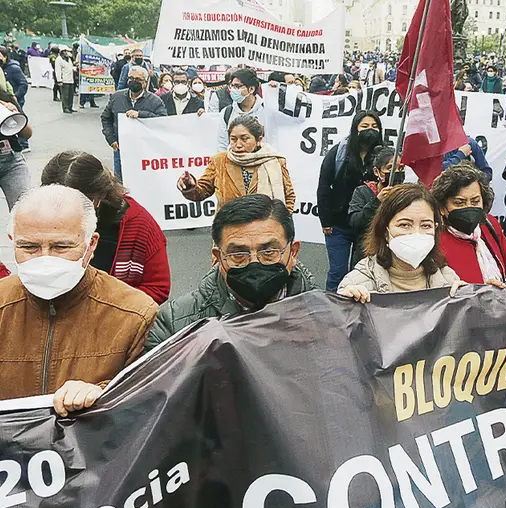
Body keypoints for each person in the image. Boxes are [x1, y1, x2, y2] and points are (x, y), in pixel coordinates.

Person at [0, 185, 157, 412]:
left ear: (90, 244)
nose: (45, 259)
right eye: (29, 247)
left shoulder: (135, 314)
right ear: (12, 241)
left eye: (61, 247)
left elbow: (149, 401)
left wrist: (102, 392)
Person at [144, 195, 314, 351]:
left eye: (269, 252)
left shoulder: (325, 315)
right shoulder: (175, 326)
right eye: (238, 254)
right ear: (218, 257)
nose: (254, 262)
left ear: (293, 252)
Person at [41, 151, 171, 304]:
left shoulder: (138, 224)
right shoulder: (37, 221)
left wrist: (106, 306)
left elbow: (158, 287)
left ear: (100, 195)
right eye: (57, 203)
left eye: (77, 203)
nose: (65, 212)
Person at [338, 184, 467, 302]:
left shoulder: (448, 278)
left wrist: (470, 301)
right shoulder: (358, 281)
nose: (416, 233)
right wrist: (345, 304)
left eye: (426, 225)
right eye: (405, 225)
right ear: (384, 230)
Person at [318, 110, 384, 290]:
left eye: (374, 126)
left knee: (362, 274)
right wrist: (326, 221)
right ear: (355, 129)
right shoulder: (339, 153)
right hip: (339, 224)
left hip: (369, 226)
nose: (370, 130)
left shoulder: (384, 156)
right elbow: (324, 186)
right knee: (337, 272)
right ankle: (333, 307)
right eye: (364, 126)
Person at [178, 114, 296, 213]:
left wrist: (281, 226)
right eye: (233, 139)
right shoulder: (219, 161)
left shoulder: (275, 161)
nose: (238, 144)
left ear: (259, 139)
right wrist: (189, 186)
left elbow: (289, 197)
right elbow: (201, 193)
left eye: (245, 139)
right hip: (229, 232)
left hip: (264, 233)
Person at [433, 163, 506, 283]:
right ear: (442, 207)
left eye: (475, 201)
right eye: (460, 203)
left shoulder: (489, 225)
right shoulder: (435, 240)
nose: (469, 207)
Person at [101, 66, 166, 180]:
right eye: (131, 78)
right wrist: (111, 139)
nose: (133, 81)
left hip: (145, 150)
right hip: (121, 149)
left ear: (145, 83)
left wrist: (141, 114)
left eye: (138, 79)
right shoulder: (117, 97)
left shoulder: (155, 101)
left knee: (143, 180)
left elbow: (162, 121)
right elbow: (106, 118)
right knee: (120, 181)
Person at [347, 146, 404, 267]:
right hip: (367, 255)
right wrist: (376, 202)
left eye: (401, 168)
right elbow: (355, 222)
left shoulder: (407, 194)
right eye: (390, 168)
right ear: (376, 171)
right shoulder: (362, 192)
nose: (397, 172)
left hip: (397, 257)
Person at [217, 68, 264, 152]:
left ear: (251, 89)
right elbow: (222, 145)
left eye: (237, 86)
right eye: (232, 86)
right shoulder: (227, 113)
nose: (233, 90)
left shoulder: (266, 110)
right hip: (235, 161)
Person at [0, 89, 32, 209]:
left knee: (24, 210)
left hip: (12, 162)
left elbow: (27, 134)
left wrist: (14, 113)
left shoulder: (4, 97)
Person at [55, 45, 76, 115]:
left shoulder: (68, 59)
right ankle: (65, 107)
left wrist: (76, 68)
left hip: (71, 79)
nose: (68, 52)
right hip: (64, 80)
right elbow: (58, 71)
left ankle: (70, 107)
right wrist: (59, 80)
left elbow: (71, 67)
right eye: (66, 51)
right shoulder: (58, 60)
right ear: (63, 52)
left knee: (71, 95)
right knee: (65, 95)